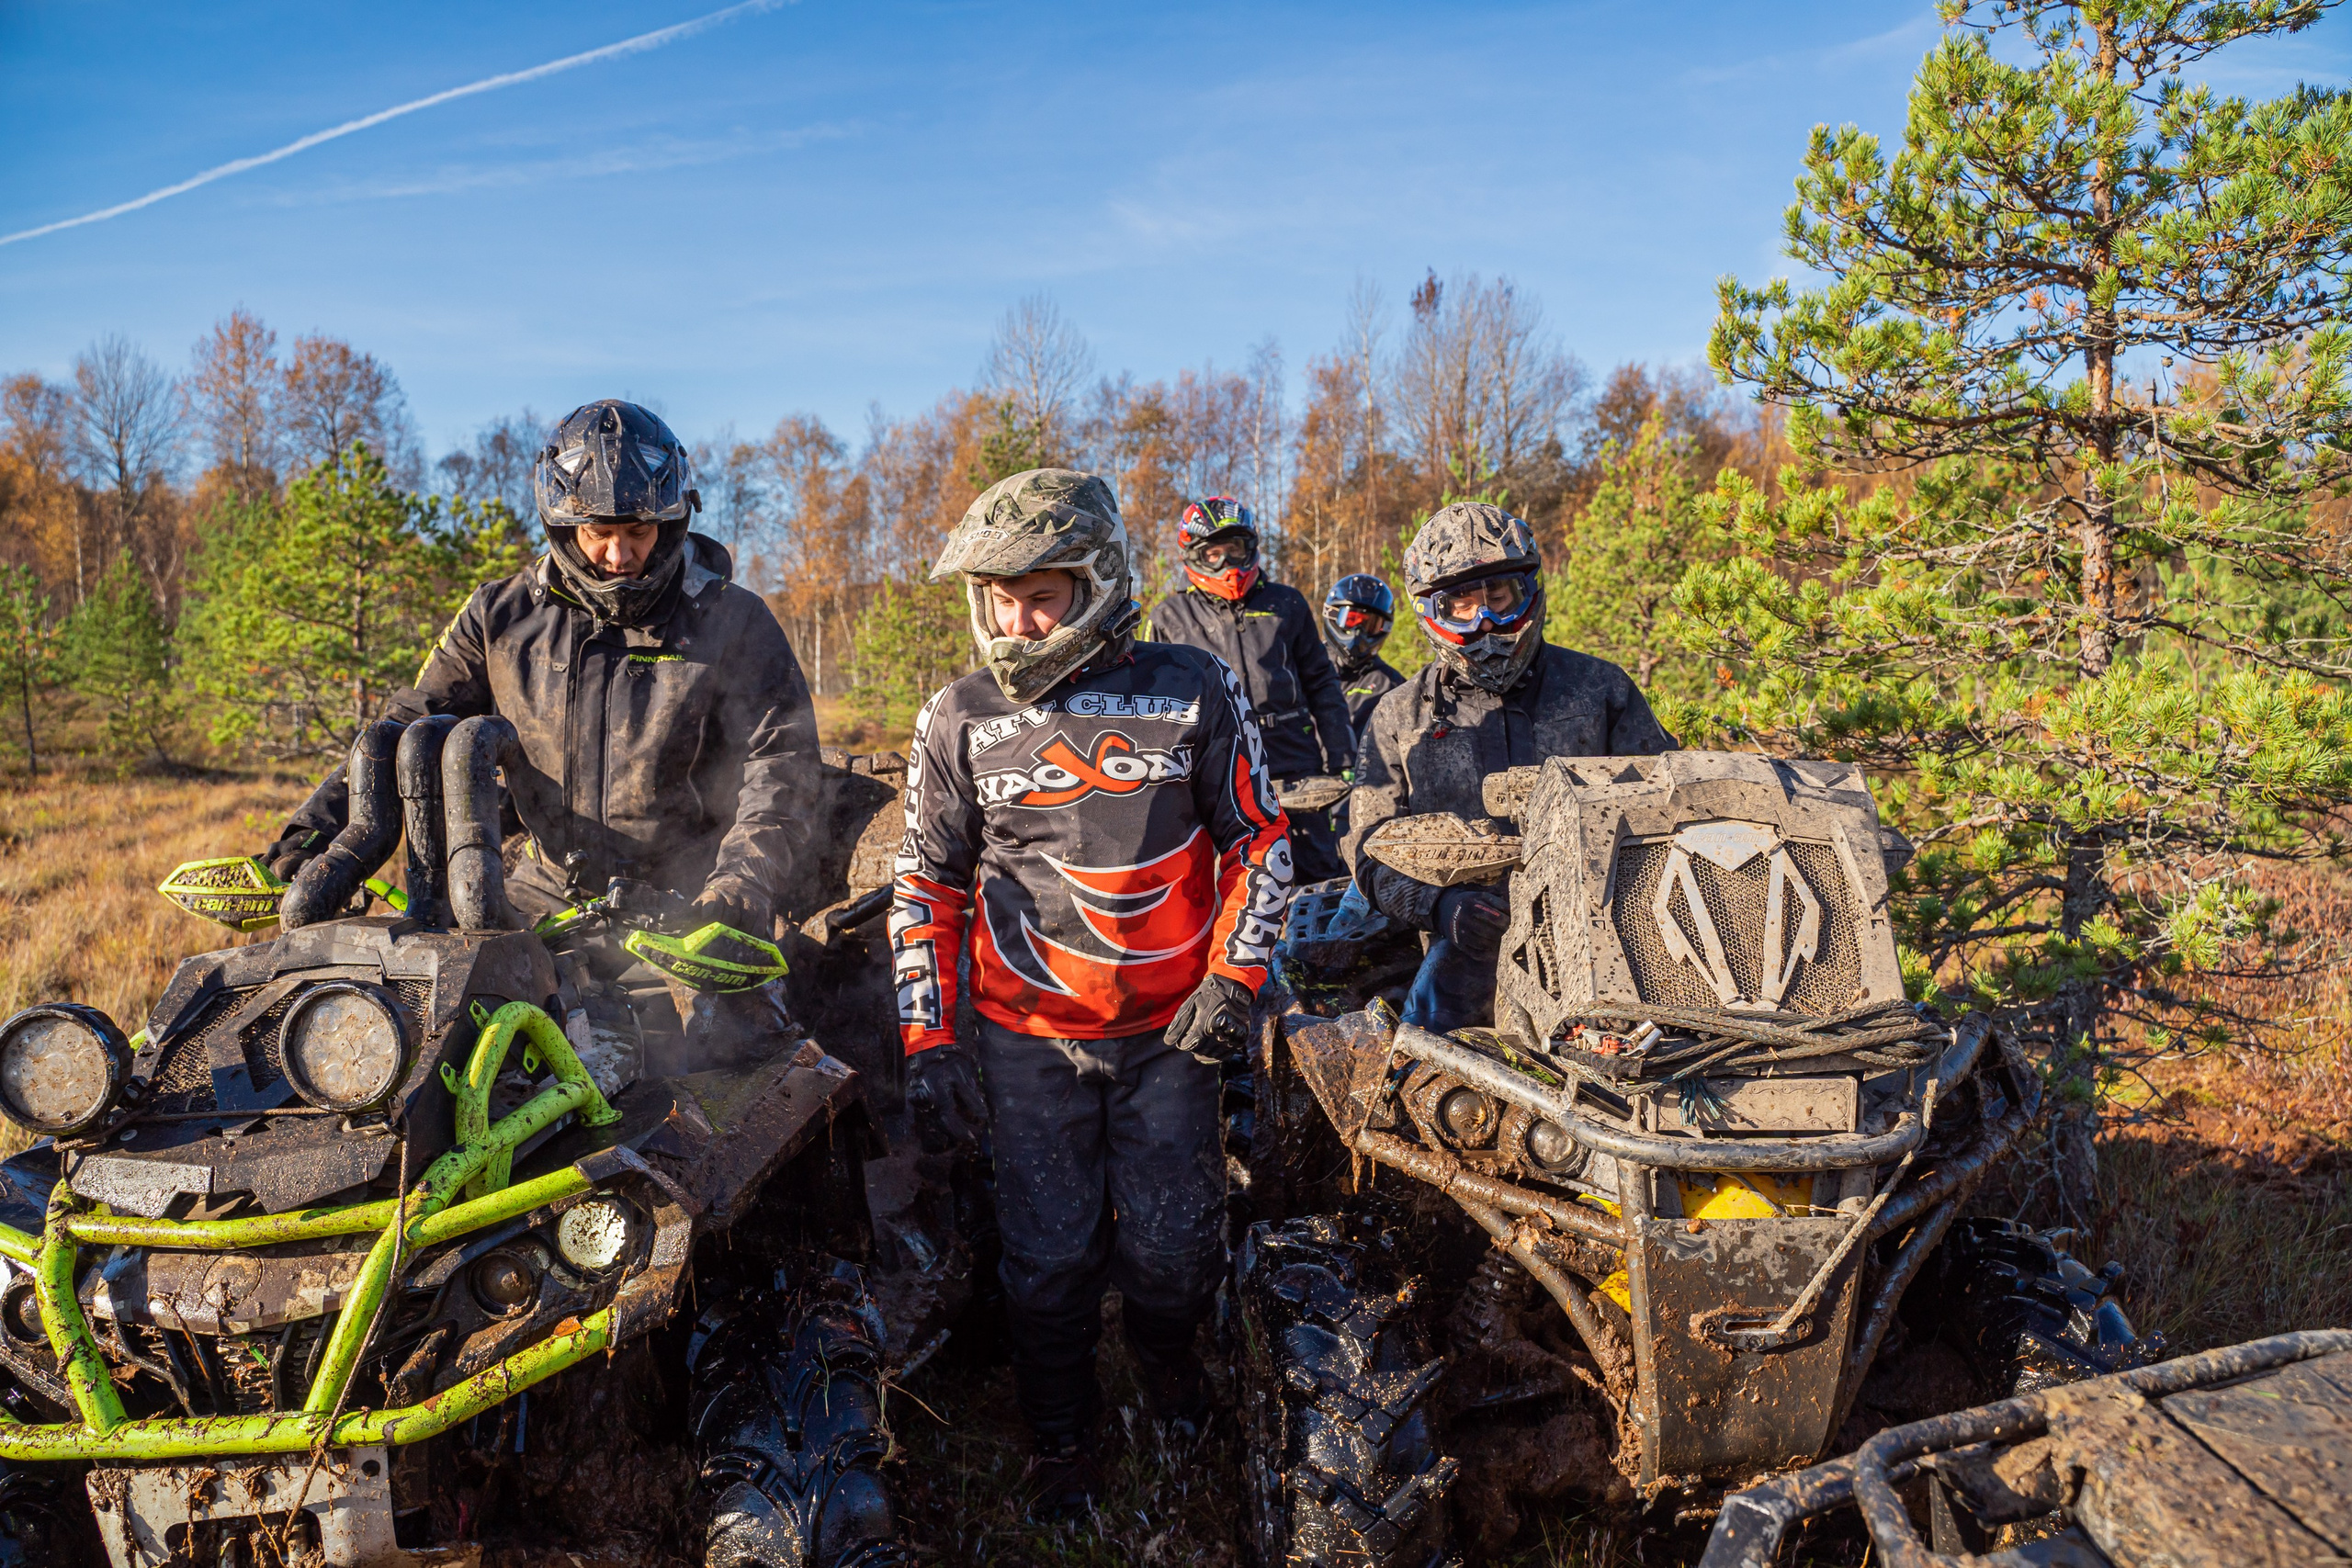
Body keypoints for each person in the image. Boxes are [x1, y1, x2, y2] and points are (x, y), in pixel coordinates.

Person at [889, 468, 1291, 1515]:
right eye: (998, 600)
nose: (1017, 623)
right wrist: (929, 1043)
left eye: (1041, 597)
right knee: (1048, 1255)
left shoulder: (1193, 684)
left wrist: (1235, 980)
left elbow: (1258, 838)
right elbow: (926, 884)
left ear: (1100, 581)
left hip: (1172, 1030)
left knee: (1175, 1251)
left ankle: (1168, 1373)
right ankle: (1061, 1433)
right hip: (1027, 1037)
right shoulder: (959, 713)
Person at [265, 399, 820, 1060]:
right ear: (562, 525)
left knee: (741, 1064)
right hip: (546, 888)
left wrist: (740, 887)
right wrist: (308, 838)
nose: (620, 555)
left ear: (671, 520)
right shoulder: (499, 616)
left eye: (639, 530)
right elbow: (401, 730)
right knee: (439, 1048)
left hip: (691, 899)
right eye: (598, 532)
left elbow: (783, 764)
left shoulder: (734, 619)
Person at [1344, 502, 1673, 1032]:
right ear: (1431, 611)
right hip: (1464, 938)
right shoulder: (1401, 717)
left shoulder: (1600, 690)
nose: (1485, 620)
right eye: (1462, 605)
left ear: (1527, 591)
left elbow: (1668, 807)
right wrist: (1439, 905)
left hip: (1607, 929)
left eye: (1498, 597)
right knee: (1428, 1054)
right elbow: (1368, 846)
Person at [1145, 496, 1353, 882]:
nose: (1227, 562)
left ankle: (1319, 922)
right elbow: (1153, 707)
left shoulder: (1286, 603)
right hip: (1216, 758)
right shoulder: (1169, 617)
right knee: (1237, 871)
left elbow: (1322, 682)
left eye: (1234, 550)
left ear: (1250, 548)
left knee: (1316, 866)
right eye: (1213, 554)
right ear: (1193, 555)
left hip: (1292, 751)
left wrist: (1342, 754)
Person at [1320, 572, 1405, 744]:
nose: (1358, 632)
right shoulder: (1303, 671)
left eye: (1369, 625)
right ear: (1333, 616)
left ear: (1383, 627)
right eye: (1351, 620)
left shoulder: (1392, 686)